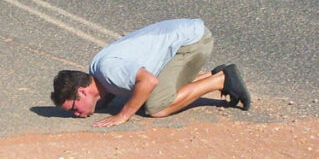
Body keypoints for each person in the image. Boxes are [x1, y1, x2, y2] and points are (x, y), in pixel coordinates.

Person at [50, 18, 250, 127]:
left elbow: (148, 81)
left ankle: (221, 80)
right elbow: (118, 84)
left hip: (192, 42)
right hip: (187, 36)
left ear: (83, 91)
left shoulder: (108, 72)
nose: (77, 114)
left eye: (74, 108)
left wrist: (123, 115)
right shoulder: (98, 73)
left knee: (155, 107)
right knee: (143, 96)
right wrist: (104, 102)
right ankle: (212, 75)